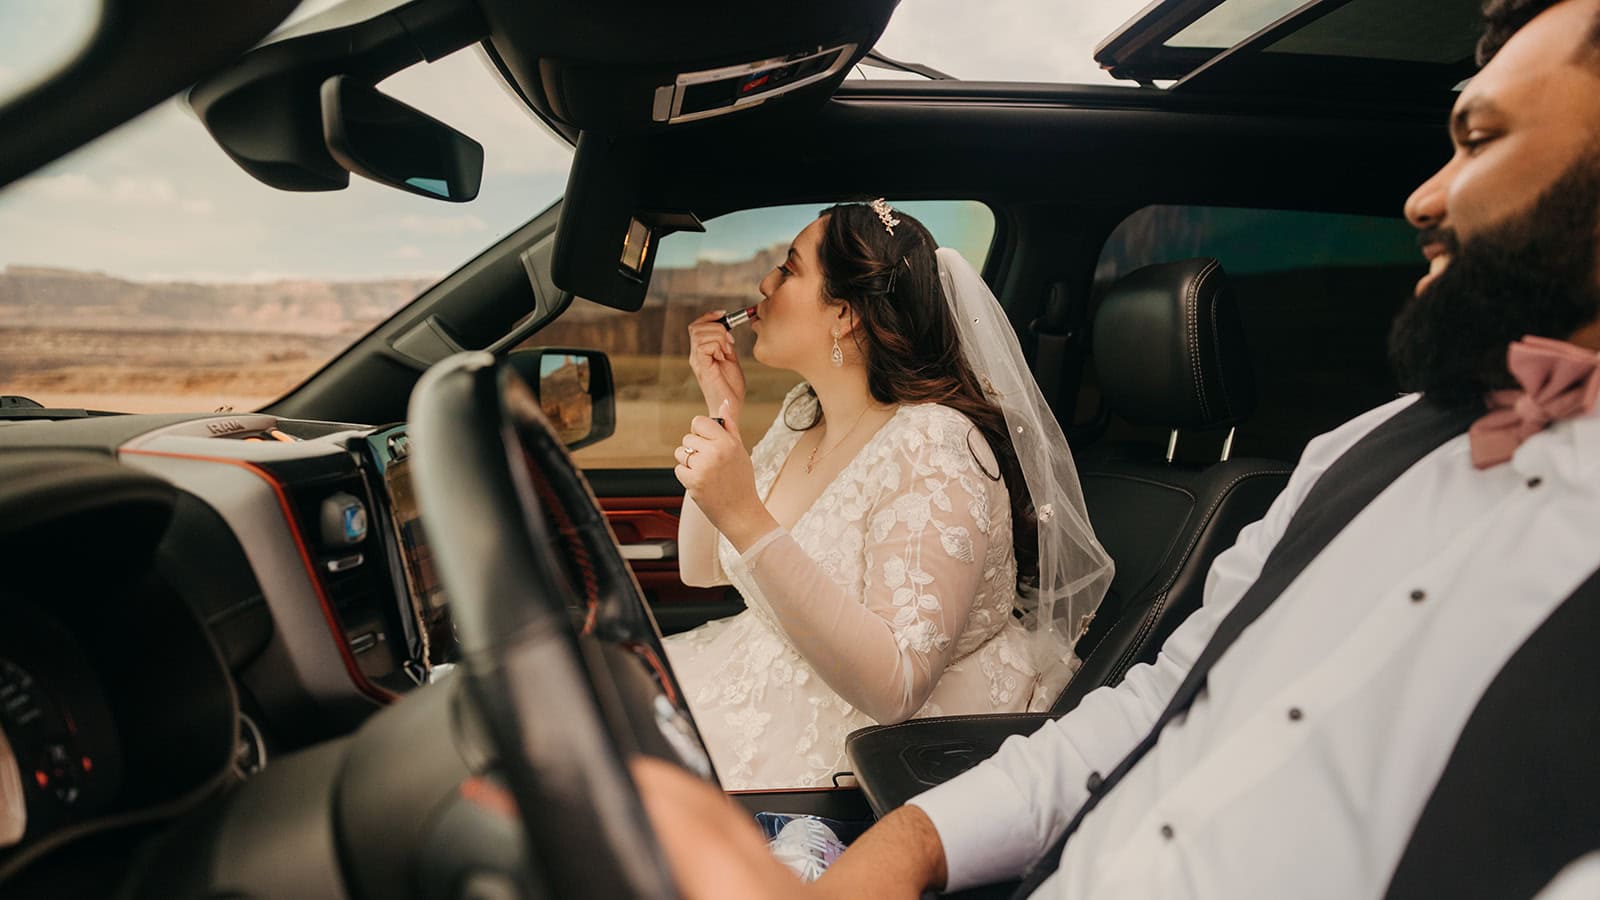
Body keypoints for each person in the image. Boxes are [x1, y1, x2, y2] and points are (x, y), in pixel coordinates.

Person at [632, 0, 1600, 895]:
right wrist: (915, 841)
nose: (1422, 200)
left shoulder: (934, 448)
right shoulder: (1360, 451)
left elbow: (885, 681)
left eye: (1478, 138)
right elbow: (1156, 704)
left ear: (844, 315)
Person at [661, 202, 1113, 789]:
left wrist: (746, 515)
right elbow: (701, 571)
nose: (764, 284)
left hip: (868, 750)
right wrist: (722, 408)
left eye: (789, 268)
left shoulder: (937, 446)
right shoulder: (804, 414)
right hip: (753, 679)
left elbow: (897, 688)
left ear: (845, 314)